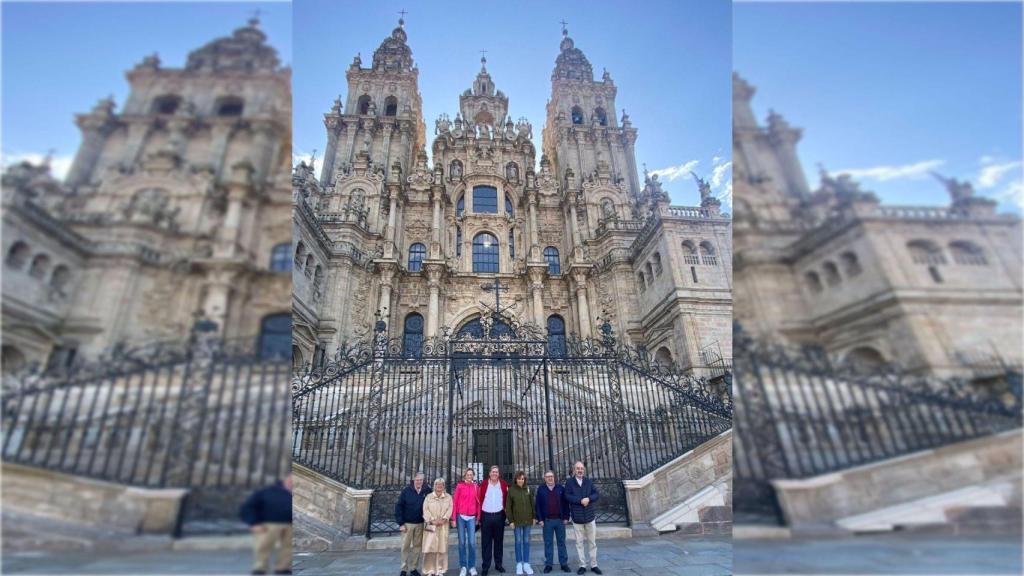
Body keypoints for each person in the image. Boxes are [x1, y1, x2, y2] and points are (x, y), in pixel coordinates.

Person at [240, 474, 293, 575]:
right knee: (263, 546)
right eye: (291, 480)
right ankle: (260, 567)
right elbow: (249, 507)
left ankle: (283, 567)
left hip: (291, 524)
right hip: (269, 524)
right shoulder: (267, 491)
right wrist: (254, 523)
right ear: (286, 480)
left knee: (289, 547)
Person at [563, 462, 601, 575]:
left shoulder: (588, 481)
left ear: (584, 470)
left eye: (581, 468)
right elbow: (567, 496)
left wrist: (588, 499)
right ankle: (582, 565)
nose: (580, 470)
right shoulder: (569, 482)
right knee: (579, 543)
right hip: (577, 517)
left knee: (592, 542)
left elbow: (596, 494)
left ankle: (594, 565)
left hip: (590, 517)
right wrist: (580, 501)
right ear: (574, 470)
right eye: (578, 468)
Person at [534, 470, 571, 573]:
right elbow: (538, 506)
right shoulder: (541, 490)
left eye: (551, 476)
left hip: (560, 520)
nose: (550, 478)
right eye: (547, 477)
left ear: (554, 477)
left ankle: (564, 563)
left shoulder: (560, 489)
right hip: (547, 521)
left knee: (561, 543)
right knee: (548, 543)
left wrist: (566, 517)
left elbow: (565, 504)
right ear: (544, 478)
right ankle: (549, 564)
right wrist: (540, 519)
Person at [396, 472, 430, 576]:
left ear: (423, 481)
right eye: (417, 480)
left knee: (417, 547)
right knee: (405, 547)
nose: (419, 481)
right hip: (407, 524)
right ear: (413, 480)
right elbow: (399, 506)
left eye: (421, 480)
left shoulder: (427, 491)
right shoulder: (406, 491)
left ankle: (414, 568)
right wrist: (400, 523)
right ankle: (404, 569)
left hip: (420, 523)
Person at [477, 465, 509, 575]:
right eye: (493, 472)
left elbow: (506, 499)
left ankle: (498, 565)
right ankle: (485, 566)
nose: (494, 473)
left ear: (499, 474)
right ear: (489, 473)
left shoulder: (504, 484)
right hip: (486, 516)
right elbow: (479, 499)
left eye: (496, 472)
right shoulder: (484, 484)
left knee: (499, 542)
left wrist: (505, 515)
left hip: (499, 516)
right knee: (486, 543)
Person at [451, 467, 481, 576]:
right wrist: (453, 518)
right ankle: (463, 566)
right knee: (462, 543)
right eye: (467, 475)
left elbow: (478, 503)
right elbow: (455, 502)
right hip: (460, 517)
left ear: (473, 476)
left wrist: (478, 517)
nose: (469, 476)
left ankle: (472, 566)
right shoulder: (460, 486)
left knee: (472, 543)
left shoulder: (476, 487)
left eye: (471, 475)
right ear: (465, 476)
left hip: (472, 517)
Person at [505, 471, 536, 575]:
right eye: (519, 478)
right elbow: (508, 507)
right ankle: (519, 564)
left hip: (527, 520)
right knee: (518, 541)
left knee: (526, 541)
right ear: (515, 479)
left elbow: (532, 504)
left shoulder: (527, 489)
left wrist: (534, 517)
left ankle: (526, 563)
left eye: (522, 479)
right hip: (517, 521)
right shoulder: (511, 490)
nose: (521, 480)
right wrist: (511, 521)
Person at [422, 478, 454, 576]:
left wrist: (444, 519)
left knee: (442, 548)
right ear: (434, 486)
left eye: (441, 484)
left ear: (444, 486)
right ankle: (429, 570)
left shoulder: (448, 497)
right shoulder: (429, 497)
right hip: (431, 526)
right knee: (429, 548)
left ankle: (440, 570)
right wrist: (432, 520)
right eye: (437, 484)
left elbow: (450, 508)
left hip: (443, 525)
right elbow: (425, 509)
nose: (439, 486)